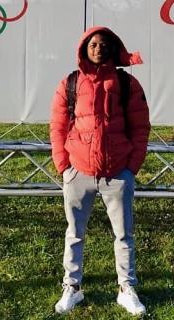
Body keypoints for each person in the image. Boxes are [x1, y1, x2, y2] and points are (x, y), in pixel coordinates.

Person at [50, 26, 150, 315]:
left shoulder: (127, 83)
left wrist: (131, 167)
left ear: (113, 48)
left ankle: (126, 288)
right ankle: (72, 287)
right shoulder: (69, 83)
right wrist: (63, 166)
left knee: (124, 235)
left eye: (104, 44)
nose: (98, 48)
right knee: (75, 234)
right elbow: (57, 127)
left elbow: (141, 127)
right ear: (84, 49)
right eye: (93, 44)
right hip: (77, 172)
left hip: (118, 173)